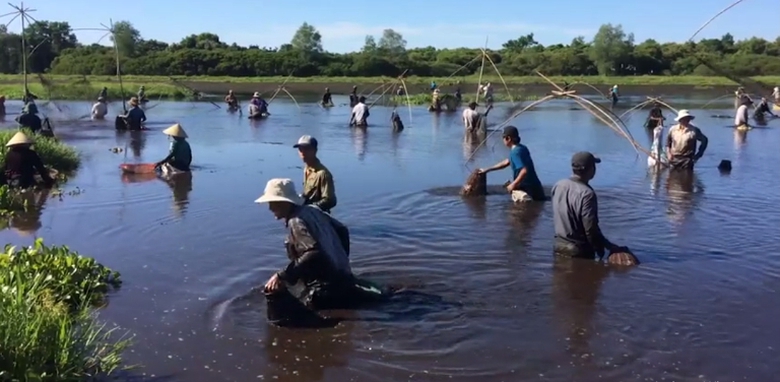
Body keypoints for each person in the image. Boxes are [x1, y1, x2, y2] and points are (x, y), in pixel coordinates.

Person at [255, 178, 383, 313]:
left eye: (272, 203)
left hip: (325, 290)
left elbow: (313, 251)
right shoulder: (312, 210)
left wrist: (281, 275)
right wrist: (341, 262)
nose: (270, 208)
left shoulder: (296, 221)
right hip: (342, 278)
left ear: (284, 203)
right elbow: (342, 230)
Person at [551, 152, 626, 261]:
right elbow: (590, 229)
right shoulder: (587, 194)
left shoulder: (558, 185)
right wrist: (600, 248)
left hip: (558, 245)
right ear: (591, 169)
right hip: (578, 250)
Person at [478, 126, 545, 202]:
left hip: (528, 189)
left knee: (520, 211)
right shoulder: (521, 148)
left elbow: (524, 171)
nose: (502, 140)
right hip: (536, 187)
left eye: (503, 138)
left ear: (508, 139)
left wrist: (513, 184)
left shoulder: (515, 152)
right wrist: (488, 169)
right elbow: (507, 162)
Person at [293, 135, 337, 213]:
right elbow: (308, 193)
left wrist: (312, 207)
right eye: (300, 149)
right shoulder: (307, 169)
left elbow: (331, 200)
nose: (303, 153)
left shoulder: (323, 174)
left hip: (320, 216)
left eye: (306, 149)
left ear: (315, 150)